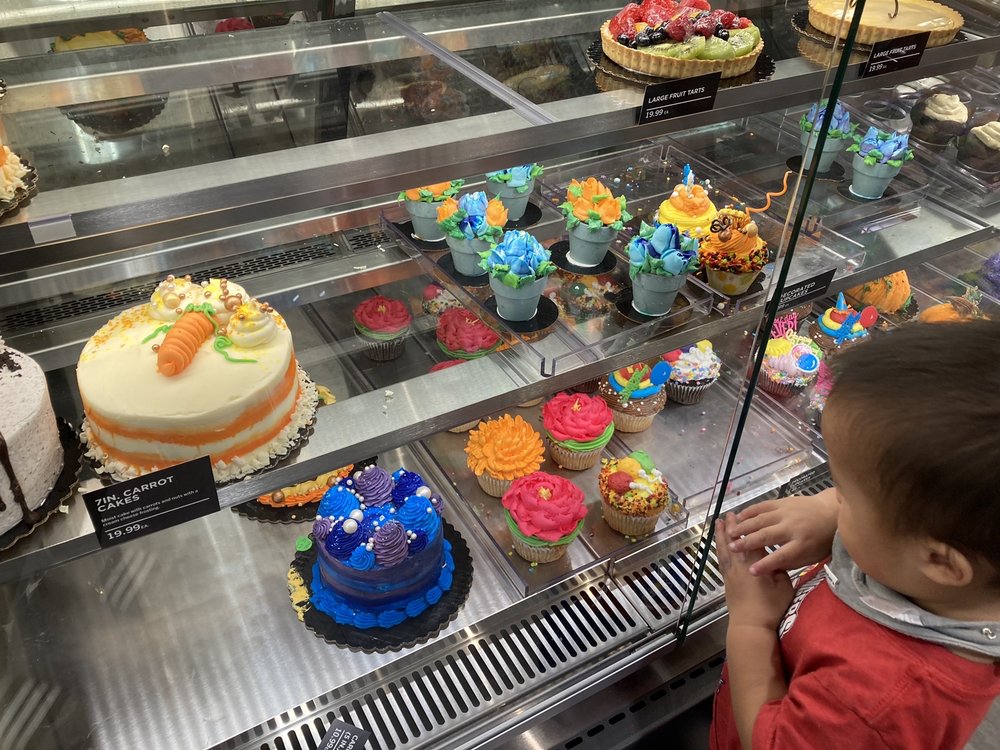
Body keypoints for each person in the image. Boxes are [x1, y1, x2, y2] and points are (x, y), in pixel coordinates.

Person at [710, 319, 1000, 749]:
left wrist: (752, 624)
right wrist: (832, 517)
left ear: (940, 561)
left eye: (843, 493)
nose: (832, 498)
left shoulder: (878, 702)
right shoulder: (942, 570)